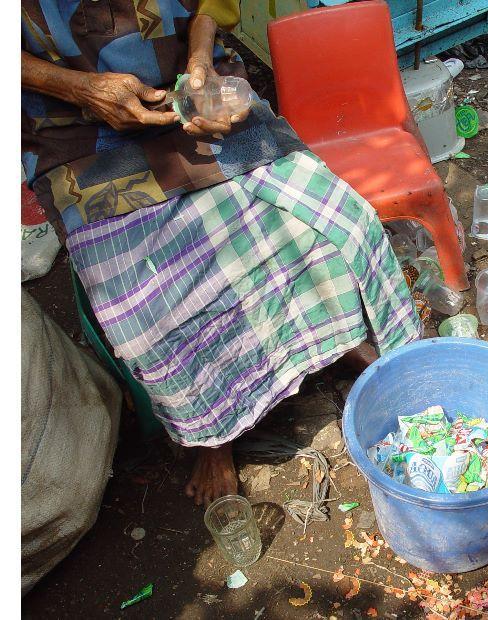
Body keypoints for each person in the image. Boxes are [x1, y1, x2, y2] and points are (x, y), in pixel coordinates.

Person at [22, 0, 422, 505]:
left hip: (190, 85)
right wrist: (79, 88)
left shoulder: (198, 68)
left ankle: (334, 341)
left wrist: (200, 62)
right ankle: (218, 432)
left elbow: (213, 4)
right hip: (74, 129)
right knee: (148, 311)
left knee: (339, 222)